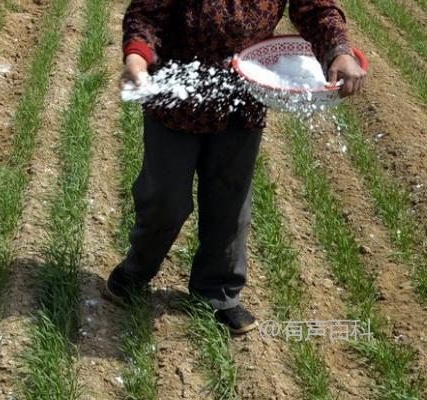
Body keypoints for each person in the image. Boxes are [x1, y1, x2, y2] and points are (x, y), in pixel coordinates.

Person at [105, 0, 366, 334]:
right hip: (177, 104)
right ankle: (135, 270)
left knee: (230, 202)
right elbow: (146, 14)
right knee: (164, 201)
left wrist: (338, 51)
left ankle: (218, 293)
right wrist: (136, 60)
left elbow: (315, 10)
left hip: (242, 101)